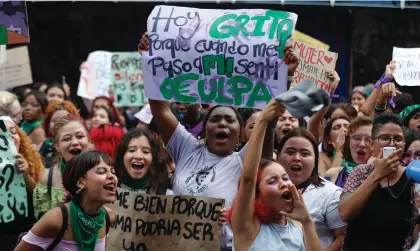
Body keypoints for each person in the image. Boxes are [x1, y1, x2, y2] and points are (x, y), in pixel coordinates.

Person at [228, 99, 324, 251]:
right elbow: (248, 179)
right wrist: (263, 120)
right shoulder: (247, 226)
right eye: (272, 181)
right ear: (257, 195)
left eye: (285, 178)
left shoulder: (298, 226)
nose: (284, 183)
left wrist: (307, 221)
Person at [338, 113, 418, 251]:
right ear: (372, 144)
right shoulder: (360, 173)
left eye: (398, 139)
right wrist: (377, 175)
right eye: (385, 138)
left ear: (404, 145)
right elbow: (345, 213)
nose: (392, 144)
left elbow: (415, 237)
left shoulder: (412, 178)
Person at [15, 151, 117, 251]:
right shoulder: (56, 219)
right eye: (101, 172)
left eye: (113, 172)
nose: (112, 176)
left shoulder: (108, 217)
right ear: (81, 183)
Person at [277, 128, 346, 250]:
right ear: (278, 156)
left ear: (315, 160)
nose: (297, 158)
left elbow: (342, 236)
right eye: (290, 152)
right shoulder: (264, 189)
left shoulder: (330, 193)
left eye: (305, 153)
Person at [33, 115, 90, 219]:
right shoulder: (47, 177)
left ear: (88, 140)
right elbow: (41, 224)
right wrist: (63, 209)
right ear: (57, 146)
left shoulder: (103, 174)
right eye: (67, 139)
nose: (74, 142)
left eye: (80, 136)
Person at [0, 117, 44, 250]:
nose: (10, 136)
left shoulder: (36, 166)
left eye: (13, 132)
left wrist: (26, 176)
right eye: (3, 133)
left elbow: (47, 203)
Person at [114, 128, 170, 194]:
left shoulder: (166, 192)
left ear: (153, 158)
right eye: (131, 150)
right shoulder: (109, 185)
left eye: (145, 151)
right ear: (122, 156)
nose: (138, 156)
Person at [328, 116, 374, 185]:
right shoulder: (332, 174)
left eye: (368, 139)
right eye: (357, 138)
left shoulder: (383, 176)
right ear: (348, 141)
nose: (362, 144)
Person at [38, 101, 80, 169]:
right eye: (55, 120)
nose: (59, 124)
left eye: (64, 120)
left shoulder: (77, 146)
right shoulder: (42, 145)